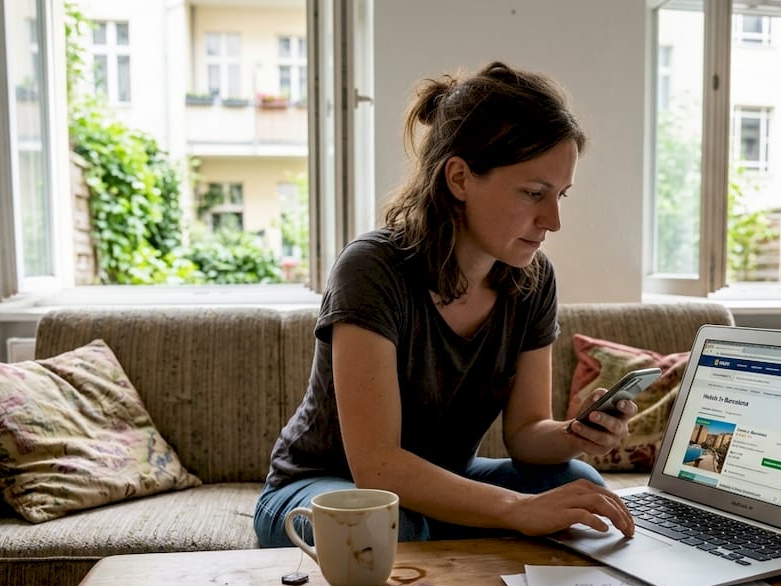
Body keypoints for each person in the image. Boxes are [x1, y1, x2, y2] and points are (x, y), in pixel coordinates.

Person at [253, 61, 636, 548]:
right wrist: (518, 510)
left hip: (440, 479)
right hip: (323, 488)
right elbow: (378, 466)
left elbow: (525, 433)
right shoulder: (373, 269)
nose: (553, 220)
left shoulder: (534, 281)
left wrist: (574, 433)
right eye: (534, 193)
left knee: (579, 486)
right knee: (388, 525)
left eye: (561, 195)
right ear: (459, 178)